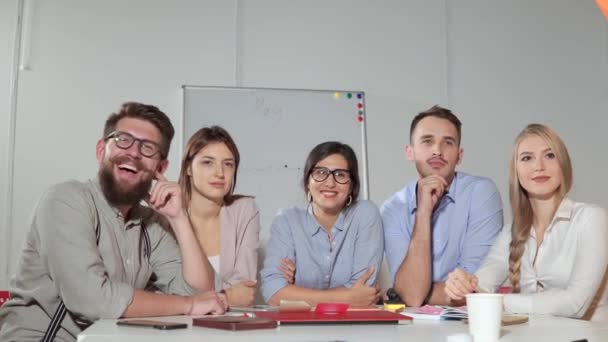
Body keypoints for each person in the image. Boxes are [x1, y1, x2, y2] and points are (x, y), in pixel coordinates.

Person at [0, 102, 226, 341]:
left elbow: (202, 292)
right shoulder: (66, 200)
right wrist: (188, 305)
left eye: (148, 147)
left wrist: (179, 217)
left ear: (160, 168)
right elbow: (93, 300)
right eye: (122, 140)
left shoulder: (152, 223)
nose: (133, 152)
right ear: (101, 151)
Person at [445, 123, 608, 320]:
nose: (539, 166)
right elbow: (479, 287)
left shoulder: (592, 219)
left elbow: (574, 304)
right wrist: (461, 286)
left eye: (550, 155)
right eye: (527, 158)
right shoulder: (509, 234)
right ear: (516, 172)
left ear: (563, 164)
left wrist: (498, 301)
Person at [382, 105, 503, 307]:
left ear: (459, 155)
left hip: (470, 321)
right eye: (427, 141)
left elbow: (472, 289)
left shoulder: (481, 192)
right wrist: (423, 212)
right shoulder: (392, 208)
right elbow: (411, 295)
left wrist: (415, 290)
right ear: (409, 152)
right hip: (411, 329)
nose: (437, 150)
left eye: (448, 143)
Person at [260, 141, 384, 307]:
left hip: (355, 327)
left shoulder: (365, 213)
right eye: (320, 172)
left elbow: (364, 290)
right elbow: (273, 294)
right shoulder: (287, 221)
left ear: (351, 184)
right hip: (298, 330)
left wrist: (295, 293)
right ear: (307, 181)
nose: (330, 183)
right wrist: (348, 298)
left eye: (340, 175)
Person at [178, 126, 261, 307]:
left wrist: (193, 299)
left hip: (229, 328)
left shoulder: (245, 210)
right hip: (173, 325)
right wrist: (226, 296)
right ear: (188, 168)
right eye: (208, 162)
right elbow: (163, 290)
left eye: (228, 164)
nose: (220, 173)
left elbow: (244, 291)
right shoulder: (169, 213)